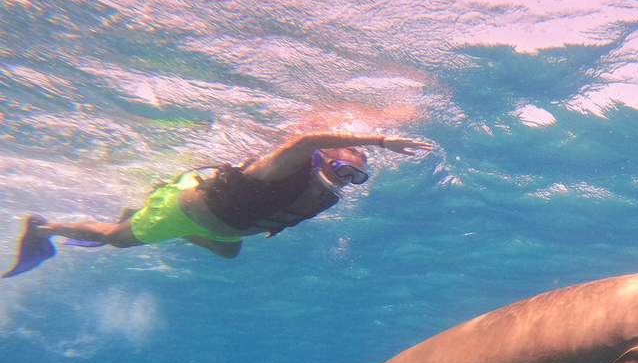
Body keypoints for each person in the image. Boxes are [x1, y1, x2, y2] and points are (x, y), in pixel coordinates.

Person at [3, 132, 436, 277]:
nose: (344, 180)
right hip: (186, 209)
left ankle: (139, 218)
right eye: (342, 167)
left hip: (221, 229)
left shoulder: (321, 194)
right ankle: (44, 228)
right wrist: (378, 141)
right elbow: (306, 140)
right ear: (325, 158)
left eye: (354, 178)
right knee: (115, 240)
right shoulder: (286, 166)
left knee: (229, 250)